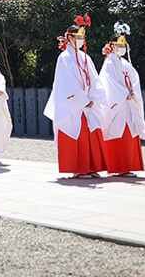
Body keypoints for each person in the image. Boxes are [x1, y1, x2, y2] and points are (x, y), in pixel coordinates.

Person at [46, 16, 108, 178]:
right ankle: (79, 168)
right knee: (77, 133)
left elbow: (94, 79)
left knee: (92, 133)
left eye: (82, 38)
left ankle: (92, 166)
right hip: (74, 104)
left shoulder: (85, 57)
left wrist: (94, 97)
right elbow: (66, 83)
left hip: (88, 101)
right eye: (77, 37)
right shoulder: (64, 58)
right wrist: (82, 99)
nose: (80, 40)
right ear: (69, 38)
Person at [99, 24, 145, 176]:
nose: (121, 48)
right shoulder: (109, 63)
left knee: (129, 133)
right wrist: (123, 94)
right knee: (117, 133)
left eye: (123, 45)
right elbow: (108, 82)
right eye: (118, 45)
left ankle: (127, 166)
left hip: (128, 104)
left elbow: (135, 79)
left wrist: (133, 92)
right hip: (118, 106)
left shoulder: (125, 63)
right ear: (111, 46)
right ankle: (117, 167)